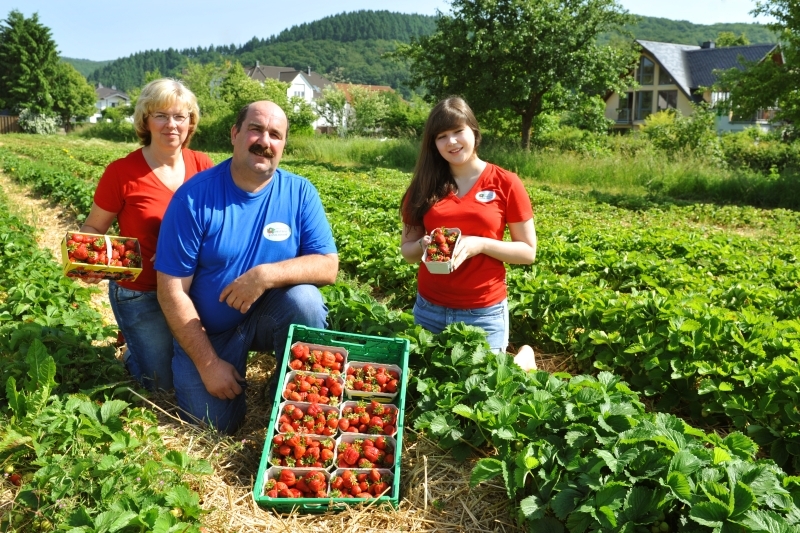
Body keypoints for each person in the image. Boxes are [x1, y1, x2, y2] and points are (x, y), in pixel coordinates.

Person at [155, 100, 339, 434]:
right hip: (210, 331)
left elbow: (328, 266)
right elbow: (171, 292)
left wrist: (265, 275)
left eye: (275, 134)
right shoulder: (193, 198)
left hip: (268, 316)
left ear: (283, 145)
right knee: (212, 427)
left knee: (306, 301)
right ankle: (161, 359)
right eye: (255, 129)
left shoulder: (299, 193)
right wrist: (209, 365)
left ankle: (285, 383)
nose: (264, 141)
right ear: (235, 134)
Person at [79, 78, 214, 391]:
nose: (171, 125)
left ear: (190, 122)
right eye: (161, 116)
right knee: (161, 387)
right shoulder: (122, 172)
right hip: (141, 291)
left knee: (194, 373)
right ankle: (131, 351)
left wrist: (179, 250)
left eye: (180, 116)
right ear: (146, 120)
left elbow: (218, 225)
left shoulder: (203, 166)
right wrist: (90, 257)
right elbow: (94, 227)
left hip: (191, 289)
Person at [399, 96, 538, 371]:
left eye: (458, 131)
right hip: (430, 309)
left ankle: (523, 357)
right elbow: (407, 252)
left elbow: (527, 252)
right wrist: (423, 244)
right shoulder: (424, 186)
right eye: (442, 136)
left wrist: (481, 244)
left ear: (473, 132)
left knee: (485, 395)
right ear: (433, 144)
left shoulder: (506, 183)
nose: (451, 142)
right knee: (429, 388)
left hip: (483, 311)